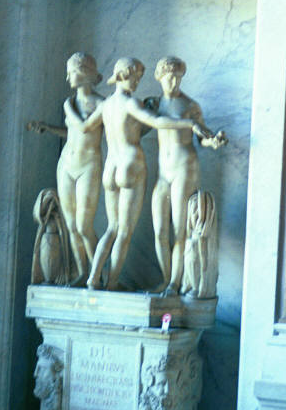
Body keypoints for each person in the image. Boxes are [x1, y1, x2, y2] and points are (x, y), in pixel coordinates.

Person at [64, 57, 206, 290]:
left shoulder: (106, 104)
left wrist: (68, 107)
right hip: (130, 165)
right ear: (123, 76)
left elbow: (85, 127)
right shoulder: (131, 103)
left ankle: (93, 277)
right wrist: (189, 124)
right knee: (124, 232)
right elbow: (158, 121)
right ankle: (111, 282)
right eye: (135, 78)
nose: (137, 83)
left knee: (111, 228)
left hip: (110, 168)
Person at [151, 57, 226, 295]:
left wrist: (212, 142)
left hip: (184, 167)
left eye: (178, 78)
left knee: (179, 229)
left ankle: (175, 282)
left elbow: (203, 136)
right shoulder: (154, 104)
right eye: (169, 78)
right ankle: (166, 279)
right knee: (159, 231)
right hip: (163, 172)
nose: (174, 82)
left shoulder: (190, 105)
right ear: (159, 78)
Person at [27, 53, 104, 285]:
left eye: (71, 72)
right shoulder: (70, 102)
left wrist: (68, 108)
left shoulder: (100, 104)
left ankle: (98, 275)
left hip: (89, 165)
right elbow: (72, 132)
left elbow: (87, 128)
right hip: (66, 165)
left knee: (84, 225)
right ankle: (83, 272)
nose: (67, 77)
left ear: (84, 72)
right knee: (71, 225)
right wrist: (49, 128)